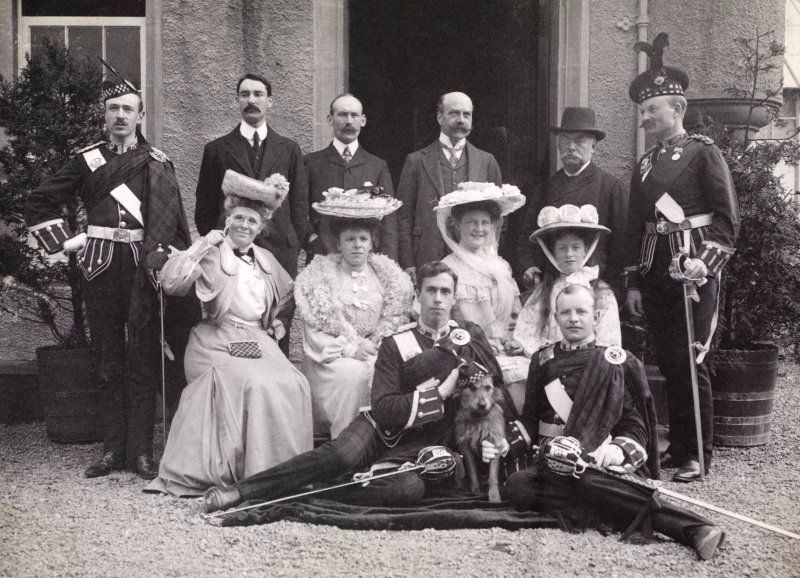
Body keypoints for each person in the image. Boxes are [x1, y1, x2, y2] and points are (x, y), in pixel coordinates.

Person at [202, 261, 504, 513]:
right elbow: (385, 409)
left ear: (453, 299)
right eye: (431, 290)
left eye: (445, 292)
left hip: (426, 442)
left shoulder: (469, 338)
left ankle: (308, 495)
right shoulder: (395, 342)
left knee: (407, 489)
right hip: (379, 431)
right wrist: (438, 394)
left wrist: (503, 438)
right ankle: (242, 491)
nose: (438, 298)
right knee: (339, 457)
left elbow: (495, 386)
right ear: (418, 296)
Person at [24, 73, 195, 480]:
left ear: (140, 116)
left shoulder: (157, 161)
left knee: (141, 358)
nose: (120, 115)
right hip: (98, 265)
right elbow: (40, 200)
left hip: (142, 267)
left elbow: (175, 226)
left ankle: (140, 452)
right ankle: (111, 449)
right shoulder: (87, 160)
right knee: (106, 359)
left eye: (127, 109)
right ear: (104, 116)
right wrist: (66, 242)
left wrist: (173, 265)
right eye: (113, 109)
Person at [500, 283, 725, 561]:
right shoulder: (542, 360)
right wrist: (503, 442)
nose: (573, 318)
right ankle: (609, 505)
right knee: (516, 487)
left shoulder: (615, 362)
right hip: (553, 463)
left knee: (589, 480)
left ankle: (692, 528)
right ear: (556, 317)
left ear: (594, 318)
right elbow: (530, 418)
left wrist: (615, 450)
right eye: (566, 312)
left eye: (581, 311)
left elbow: (636, 426)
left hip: (595, 463)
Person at [146, 171, 312, 496]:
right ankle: (254, 475)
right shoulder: (212, 251)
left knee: (296, 382)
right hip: (215, 339)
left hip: (258, 340)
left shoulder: (265, 259)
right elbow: (172, 283)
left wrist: (280, 319)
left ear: (260, 227)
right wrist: (202, 244)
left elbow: (293, 292)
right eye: (238, 218)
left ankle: (286, 474)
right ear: (227, 218)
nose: (244, 225)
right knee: (257, 384)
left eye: (252, 221)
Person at [623, 33, 739, 482]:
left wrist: (703, 266)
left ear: (678, 109)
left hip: (692, 269)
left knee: (692, 358)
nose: (645, 118)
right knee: (669, 360)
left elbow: (727, 222)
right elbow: (637, 225)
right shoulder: (645, 165)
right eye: (643, 110)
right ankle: (680, 446)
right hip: (656, 269)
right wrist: (632, 281)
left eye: (652, 109)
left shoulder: (704, 153)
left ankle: (699, 455)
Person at [295, 187, 413, 438]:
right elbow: (315, 331)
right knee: (354, 374)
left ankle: (389, 443)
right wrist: (351, 348)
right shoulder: (319, 278)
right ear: (338, 243)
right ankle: (348, 445)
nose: (357, 246)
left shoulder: (387, 276)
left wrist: (380, 345)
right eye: (350, 239)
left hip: (378, 349)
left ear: (372, 242)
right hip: (333, 359)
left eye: (363, 239)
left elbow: (396, 320)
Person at [194, 73, 308, 277]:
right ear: (237, 100)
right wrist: (220, 243)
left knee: (279, 308)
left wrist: (293, 244)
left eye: (258, 94)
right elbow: (205, 208)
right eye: (244, 94)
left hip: (280, 252)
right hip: (230, 252)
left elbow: (299, 206)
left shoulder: (289, 149)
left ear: (269, 101)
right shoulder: (216, 149)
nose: (251, 100)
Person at [434, 181, 529, 411]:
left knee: (534, 371)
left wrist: (513, 341)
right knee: (513, 376)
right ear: (457, 226)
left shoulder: (501, 266)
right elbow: (440, 325)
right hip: (467, 355)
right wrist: (480, 346)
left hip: (504, 351)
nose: (479, 228)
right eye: (471, 222)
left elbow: (515, 315)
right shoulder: (447, 269)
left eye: (485, 222)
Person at [516, 107, 628, 290]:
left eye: (579, 141)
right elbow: (527, 238)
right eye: (565, 140)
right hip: (551, 285)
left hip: (596, 286)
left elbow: (621, 245)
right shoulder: (544, 188)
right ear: (558, 144)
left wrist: (611, 286)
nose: (571, 147)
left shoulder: (611, 187)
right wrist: (528, 266)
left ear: (593, 147)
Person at [396, 92, 502, 279]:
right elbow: (403, 217)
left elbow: (499, 218)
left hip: (474, 260)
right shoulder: (416, 161)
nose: (461, 120)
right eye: (454, 114)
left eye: (466, 115)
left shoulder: (486, 161)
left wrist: (490, 255)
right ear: (439, 117)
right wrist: (408, 263)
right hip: (427, 256)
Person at [514, 204, 621, 357]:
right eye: (562, 248)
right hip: (550, 360)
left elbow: (609, 336)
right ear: (553, 253)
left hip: (588, 362)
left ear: (586, 250)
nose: (569, 254)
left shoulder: (601, 292)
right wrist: (522, 345)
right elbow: (528, 328)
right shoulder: (546, 289)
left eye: (576, 247)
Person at [304, 94, 399, 260]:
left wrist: (388, 261)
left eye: (354, 115)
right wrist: (313, 241)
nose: (349, 121)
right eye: (342, 114)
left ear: (363, 120)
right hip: (323, 256)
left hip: (366, 258)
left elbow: (389, 221)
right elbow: (299, 211)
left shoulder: (377, 165)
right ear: (330, 119)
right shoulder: (311, 163)